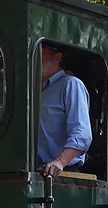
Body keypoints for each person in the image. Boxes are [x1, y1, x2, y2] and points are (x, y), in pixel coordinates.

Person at [36, 42, 91, 177]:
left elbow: (82, 135)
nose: (35, 59)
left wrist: (59, 162)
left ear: (57, 58)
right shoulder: (34, 90)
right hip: (35, 171)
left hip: (61, 173)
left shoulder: (71, 85)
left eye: (41, 54)